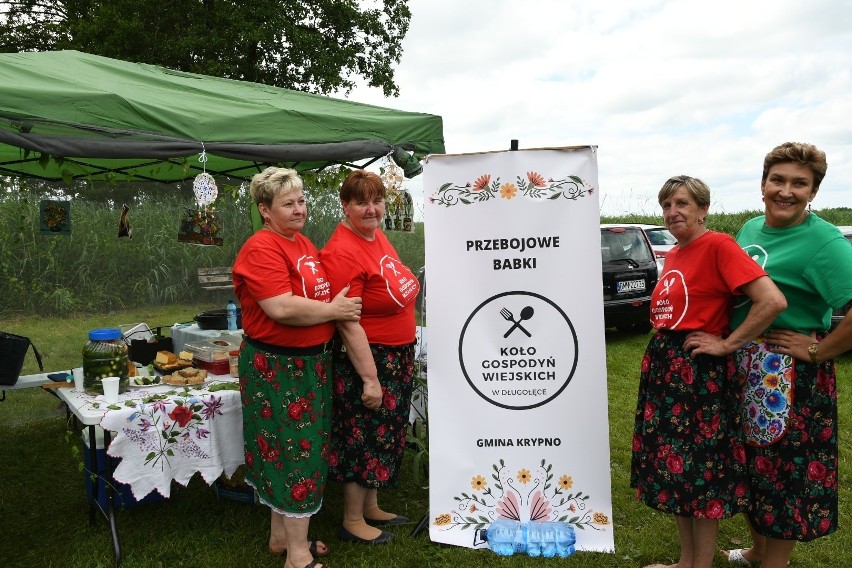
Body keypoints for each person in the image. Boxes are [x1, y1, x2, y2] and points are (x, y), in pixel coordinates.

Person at [630, 175, 786, 568]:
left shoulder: (718, 245)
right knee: (676, 468)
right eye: (666, 205)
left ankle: (702, 565)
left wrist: (728, 343)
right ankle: (687, 562)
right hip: (669, 369)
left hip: (699, 374)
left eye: (682, 203)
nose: (672, 212)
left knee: (701, 471)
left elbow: (771, 300)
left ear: (703, 209)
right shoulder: (676, 253)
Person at [716, 142, 852, 568]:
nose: (786, 191)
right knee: (754, 463)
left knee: (784, 472)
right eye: (778, 180)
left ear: (813, 192)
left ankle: (775, 563)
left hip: (788, 372)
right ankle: (758, 551)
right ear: (762, 184)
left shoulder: (824, 240)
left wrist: (818, 350)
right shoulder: (752, 228)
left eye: (800, 183)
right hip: (745, 363)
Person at [232, 167, 363, 568]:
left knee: (291, 451)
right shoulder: (262, 247)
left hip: (309, 366)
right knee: (293, 454)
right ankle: (298, 555)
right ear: (265, 210)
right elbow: (281, 307)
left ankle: (280, 539)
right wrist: (333, 310)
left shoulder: (302, 243)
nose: (299, 209)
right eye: (288, 203)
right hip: (277, 368)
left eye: (301, 201)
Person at [319, 169, 421, 545]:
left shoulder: (375, 238)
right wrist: (370, 378)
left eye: (376, 201)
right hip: (369, 359)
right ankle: (351, 520)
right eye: (361, 202)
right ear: (345, 205)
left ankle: (371, 505)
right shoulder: (343, 250)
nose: (372, 209)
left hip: (395, 354)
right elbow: (347, 322)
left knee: (383, 434)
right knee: (360, 436)